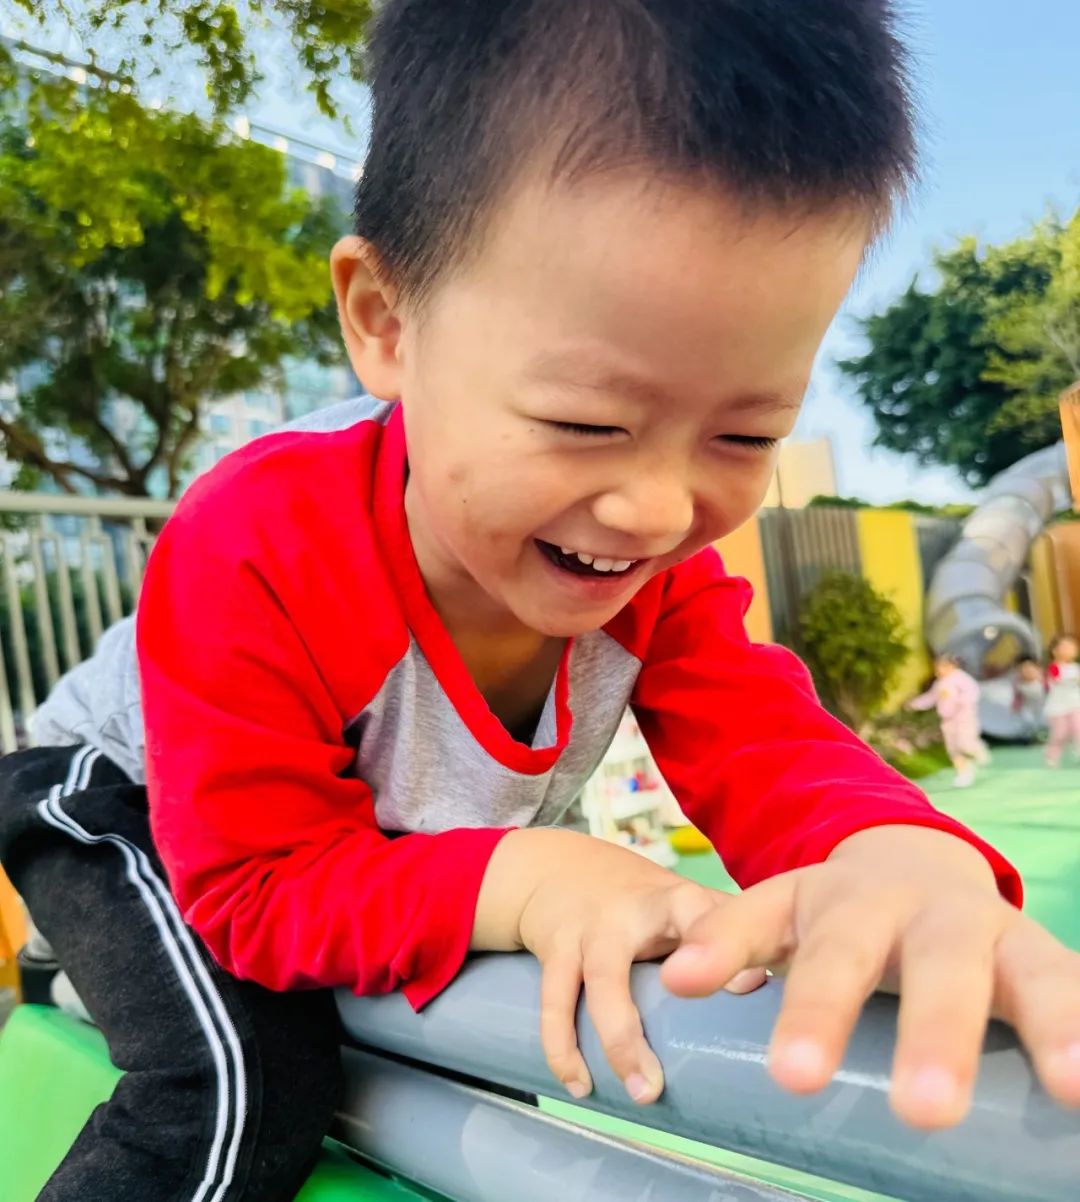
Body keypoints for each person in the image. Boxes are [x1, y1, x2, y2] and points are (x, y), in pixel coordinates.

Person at [3, 3, 1080, 1199]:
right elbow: (256, 888)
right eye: (585, 422)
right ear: (386, 321)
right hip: (122, 802)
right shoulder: (258, 540)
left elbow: (767, 740)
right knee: (239, 1078)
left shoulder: (655, 578)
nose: (656, 509)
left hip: (356, 840)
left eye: (746, 433)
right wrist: (527, 878)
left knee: (496, 1041)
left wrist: (900, 855)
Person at [908, 656, 987, 788]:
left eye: (941, 667)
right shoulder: (940, 683)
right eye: (936, 668)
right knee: (953, 748)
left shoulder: (961, 678)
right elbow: (931, 697)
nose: (938, 671)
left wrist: (961, 702)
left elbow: (972, 692)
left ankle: (977, 750)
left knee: (965, 743)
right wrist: (915, 704)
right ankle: (963, 773)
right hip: (948, 720)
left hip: (963, 718)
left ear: (951, 666)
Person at [1044, 634, 1080, 766]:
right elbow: (1056, 680)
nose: (1070, 649)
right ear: (1055, 651)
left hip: (1075, 704)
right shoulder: (1054, 667)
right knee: (1060, 733)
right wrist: (1073, 679)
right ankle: (1052, 756)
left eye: (1072, 647)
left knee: (1078, 728)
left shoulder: (1076, 667)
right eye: (1065, 646)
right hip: (1058, 707)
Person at [1012, 656, 1047, 742]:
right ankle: (1030, 737)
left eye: (1031, 668)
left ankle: (1042, 735)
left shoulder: (1042, 682)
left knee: (1043, 720)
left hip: (1042, 708)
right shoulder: (1020, 685)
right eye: (1024, 669)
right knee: (1028, 720)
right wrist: (1016, 708)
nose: (1028, 671)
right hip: (1028, 708)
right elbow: (1017, 699)